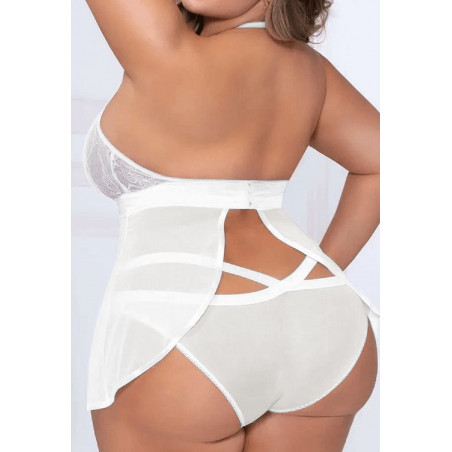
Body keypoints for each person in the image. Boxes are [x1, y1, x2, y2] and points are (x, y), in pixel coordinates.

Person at [82, 0, 380, 450]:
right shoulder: (309, 72)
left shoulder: (164, 50)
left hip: (185, 332)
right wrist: (315, 277)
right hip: (323, 326)